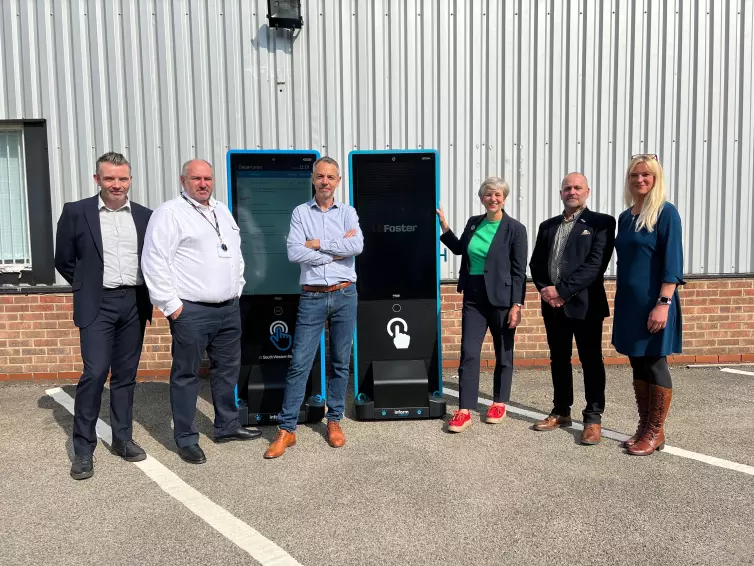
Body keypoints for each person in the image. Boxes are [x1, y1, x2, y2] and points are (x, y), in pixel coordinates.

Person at [141, 159, 261, 464]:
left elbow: (235, 253)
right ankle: (185, 438)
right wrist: (173, 307)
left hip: (227, 308)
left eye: (207, 178)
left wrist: (238, 288)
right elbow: (154, 262)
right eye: (196, 178)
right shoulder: (169, 213)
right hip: (191, 311)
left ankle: (226, 425)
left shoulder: (221, 210)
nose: (203, 183)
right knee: (186, 375)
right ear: (183, 180)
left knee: (227, 370)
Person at [54, 152, 153, 480]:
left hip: (134, 302)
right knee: (95, 372)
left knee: (125, 376)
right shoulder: (76, 212)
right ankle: (83, 448)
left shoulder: (144, 216)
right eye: (109, 178)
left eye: (122, 178)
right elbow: (63, 260)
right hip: (98, 303)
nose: (116, 184)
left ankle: (122, 438)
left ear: (130, 180)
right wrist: (86, 287)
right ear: (97, 179)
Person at [264, 156, 363, 459]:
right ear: (313, 179)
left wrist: (317, 244)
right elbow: (294, 252)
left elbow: (357, 246)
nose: (325, 182)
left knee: (340, 362)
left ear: (338, 181)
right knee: (299, 363)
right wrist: (334, 252)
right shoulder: (299, 213)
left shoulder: (348, 212)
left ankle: (333, 421)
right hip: (312, 296)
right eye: (320, 176)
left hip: (345, 294)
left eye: (331, 177)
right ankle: (287, 429)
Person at [529, 172, 616, 445]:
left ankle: (593, 417)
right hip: (553, 307)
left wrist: (562, 291)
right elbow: (536, 264)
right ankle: (561, 411)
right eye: (567, 188)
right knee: (559, 359)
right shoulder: (547, 226)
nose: (572, 192)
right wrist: (546, 290)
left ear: (587, 192)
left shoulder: (602, 223)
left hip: (585, 306)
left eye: (577, 188)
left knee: (591, 361)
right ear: (561, 193)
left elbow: (595, 265)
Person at [436, 177, 527, 433]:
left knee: (503, 353)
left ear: (504, 198)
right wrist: (444, 225)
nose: (493, 199)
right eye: (488, 195)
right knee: (469, 352)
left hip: (502, 299)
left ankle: (499, 402)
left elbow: (519, 271)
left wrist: (516, 305)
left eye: (497, 194)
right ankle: (464, 409)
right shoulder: (474, 223)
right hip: (474, 298)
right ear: (482, 198)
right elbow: (459, 249)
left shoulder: (515, 229)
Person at [613, 154, 684, 456]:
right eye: (634, 175)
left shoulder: (666, 213)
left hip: (655, 302)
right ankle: (645, 426)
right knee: (637, 361)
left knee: (655, 361)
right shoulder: (626, 217)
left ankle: (655, 431)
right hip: (630, 303)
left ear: (656, 179)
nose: (640, 180)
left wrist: (664, 303)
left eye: (646, 175)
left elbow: (673, 261)